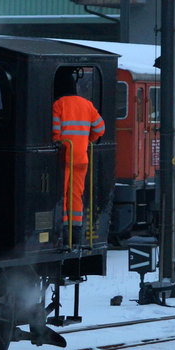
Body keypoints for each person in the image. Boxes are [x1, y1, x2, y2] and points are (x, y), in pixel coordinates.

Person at [52, 68, 105, 232]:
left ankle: (62, 231)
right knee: (76, 194)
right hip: (81, 158)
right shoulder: (87, 105)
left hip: (64, 158)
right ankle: (75, 231)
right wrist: (88, 140)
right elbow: (100, 128)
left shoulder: (58, 104)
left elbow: (55, 134)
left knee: (62, 193)